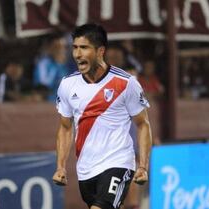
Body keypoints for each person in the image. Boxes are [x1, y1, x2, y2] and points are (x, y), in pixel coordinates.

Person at [52, 23, 153, 209]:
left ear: (100, 51)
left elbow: (143, 124)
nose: (77, 54)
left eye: (84, 48)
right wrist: (60, 166)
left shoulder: (126, 83)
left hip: (118, 162)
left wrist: (143, 166)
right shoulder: (67, 85)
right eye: (75, 48)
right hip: (86, 170)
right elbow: (66, 127)